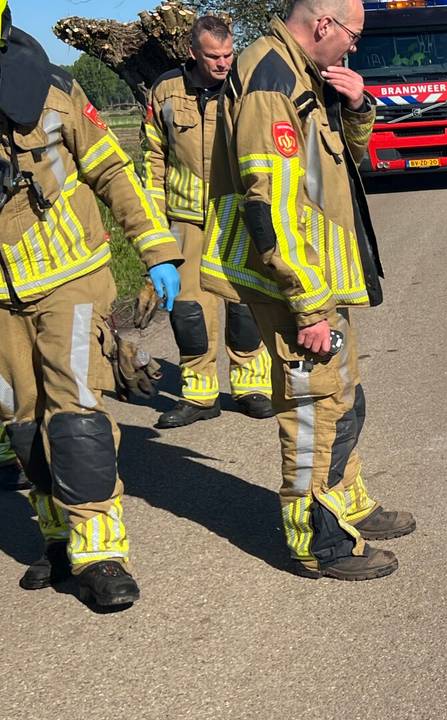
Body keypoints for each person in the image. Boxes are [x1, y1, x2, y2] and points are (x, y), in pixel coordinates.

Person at [203, 0, 415, 581]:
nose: (353, 48)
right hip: (294, 286)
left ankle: (346, 502)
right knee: (314, 407)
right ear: (323, 24)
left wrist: (358, 104)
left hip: (317, 277)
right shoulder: (271, 80)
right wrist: (308, 305)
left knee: (344, 395)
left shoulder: (303, 72)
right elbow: (269, 208)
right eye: (352, 35)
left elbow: (344, 163)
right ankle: (315, 540)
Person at [0, 1, 182, 606]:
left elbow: (111, 170)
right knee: (20, 422)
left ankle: (100, 552)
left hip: (71, 274)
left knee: (76, 413)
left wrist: (156, 249)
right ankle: (58, 541)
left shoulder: (52, 89)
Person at [141, 16, 275, 428]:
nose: (222, 63)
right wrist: (153, 223)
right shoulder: (165, 90)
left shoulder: (245, 85)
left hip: (234, 211)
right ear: (192, 53)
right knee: (188, 311)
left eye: (227, 54)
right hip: (184, 217)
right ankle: (199, 394)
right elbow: (154, 159)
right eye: (213, 56)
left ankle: (252, 386)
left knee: (242, 306)